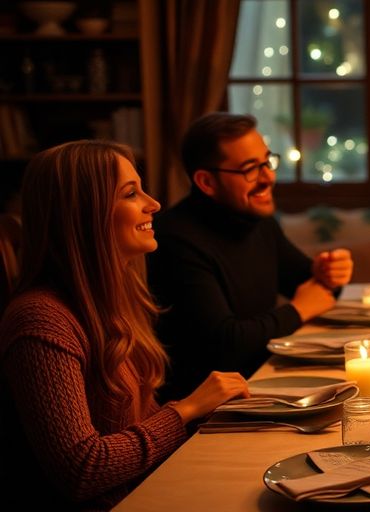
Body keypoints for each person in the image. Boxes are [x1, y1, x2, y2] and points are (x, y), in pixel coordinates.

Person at [0, 141, 249, 510]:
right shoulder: (41, 319)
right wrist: (186, 410)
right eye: (131, 193)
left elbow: (132, 429)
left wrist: (210, 415)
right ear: (83, 214)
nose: (154, 204)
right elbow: (82, 469)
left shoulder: (112, 301)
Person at [147, 113, 353, 400]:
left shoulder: (255, 219)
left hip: (259, 383)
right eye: (250, 169)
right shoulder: (174, 239)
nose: (268, 177)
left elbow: (314, 286)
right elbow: (225, 343)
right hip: (210, 411)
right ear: (207, 181)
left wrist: (328, 271)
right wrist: (299, 309)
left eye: (267, 162)